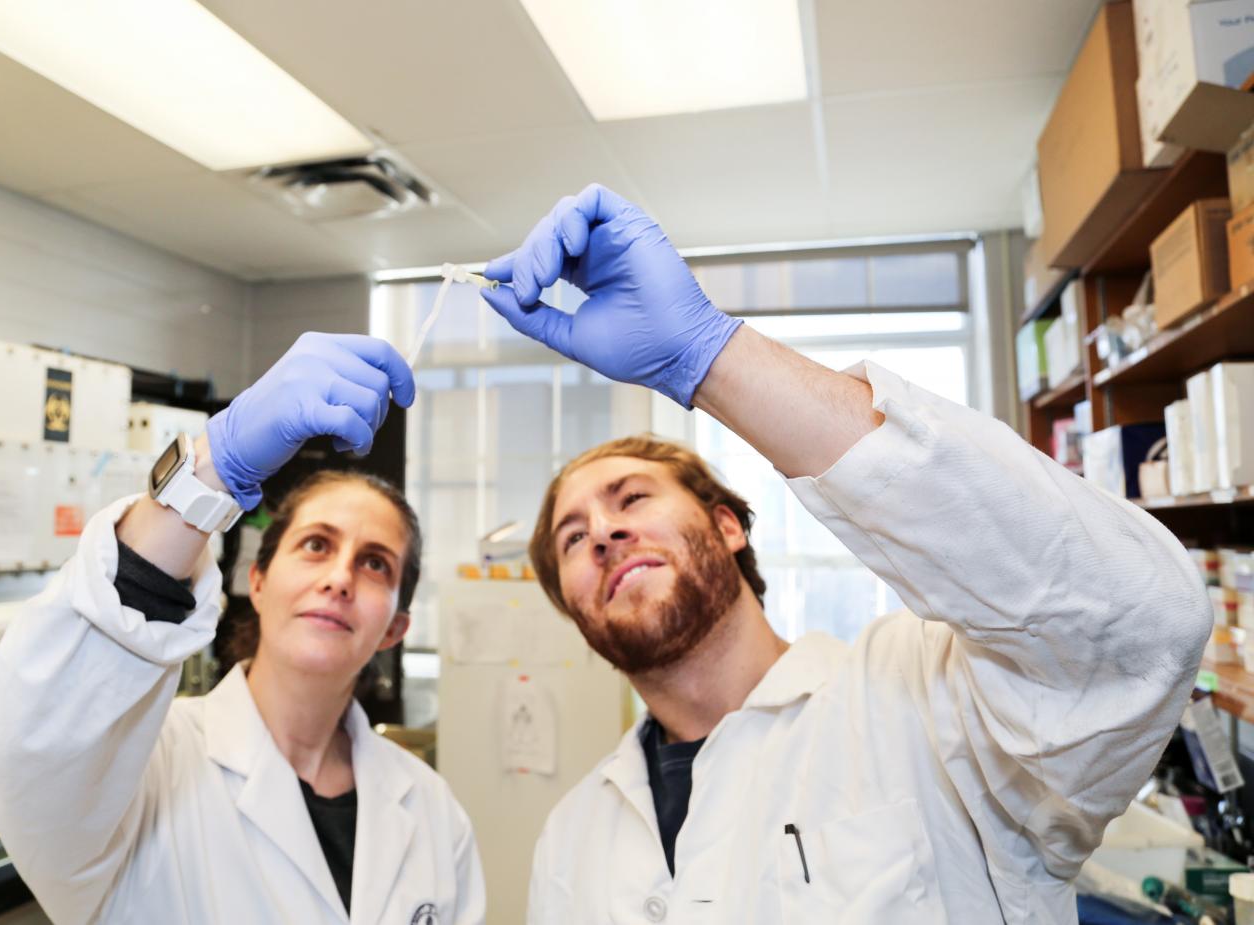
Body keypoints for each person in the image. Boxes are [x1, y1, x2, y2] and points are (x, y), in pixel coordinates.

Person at [479, 184, 1213, 922]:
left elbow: (1140, 627)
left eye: (633, 498)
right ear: (571, 607)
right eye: (573, 538)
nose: (603, 533)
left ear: (728, 526)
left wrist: (710, 356)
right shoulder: (571, 842)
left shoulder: (927, 701)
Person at [0, 334, 485, 924]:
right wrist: (214, 465)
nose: (340, 578)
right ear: (258, 583)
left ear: (396, 628)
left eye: (375, 563)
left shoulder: (435, 814)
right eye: (316, 545)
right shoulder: (146, 769)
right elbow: (33, 747)